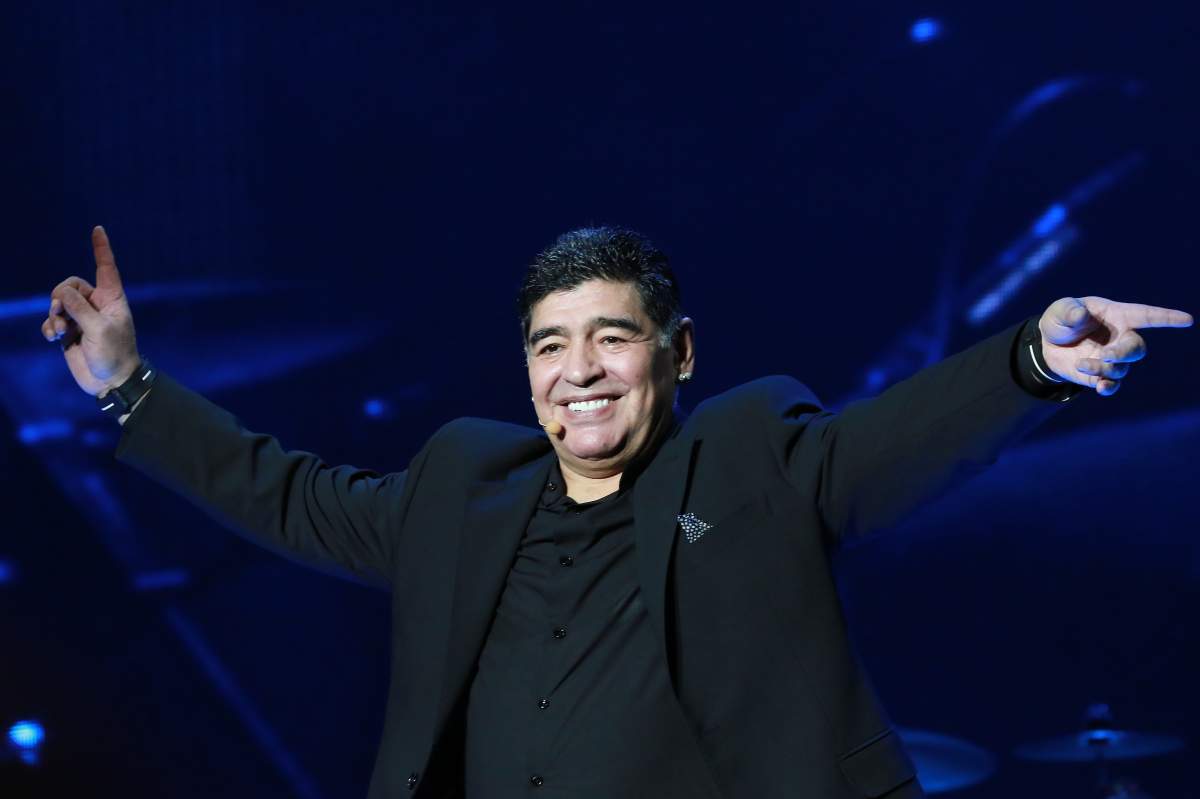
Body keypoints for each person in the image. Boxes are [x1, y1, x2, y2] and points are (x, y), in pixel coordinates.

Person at [43, 226, 1192, 798]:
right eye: (551, 345)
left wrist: (1034, 362)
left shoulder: (750, 460)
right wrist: (130, 387)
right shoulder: (461, 488)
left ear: (677, 353)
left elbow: (883, 444)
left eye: (611, 336)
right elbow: (285, 492)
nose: (579, 371)